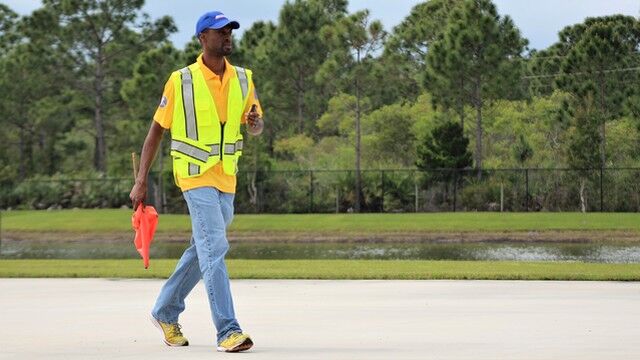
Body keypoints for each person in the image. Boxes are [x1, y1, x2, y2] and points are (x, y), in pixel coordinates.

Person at [129, 10, 263, 353]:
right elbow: (156, 131)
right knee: (214, 247)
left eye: (230, 30)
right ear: (203, 38)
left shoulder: (244, 78)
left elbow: (257, 122)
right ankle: (228, 330)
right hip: (193, 176)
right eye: (220, 32)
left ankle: (165, 310)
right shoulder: (181, 80)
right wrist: (141, 180)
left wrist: (255, 123)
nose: (228, 36)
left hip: (226, 177)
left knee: (203, 247)